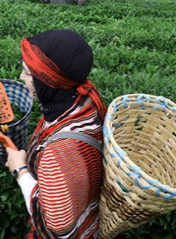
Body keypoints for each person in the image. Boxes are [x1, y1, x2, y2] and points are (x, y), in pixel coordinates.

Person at [6, 29, 107, 239]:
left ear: (46, 80)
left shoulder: (60, 150)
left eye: (27, 72)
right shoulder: (81, 101)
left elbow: (59, 228)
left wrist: (20, 170)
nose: (20, 77)